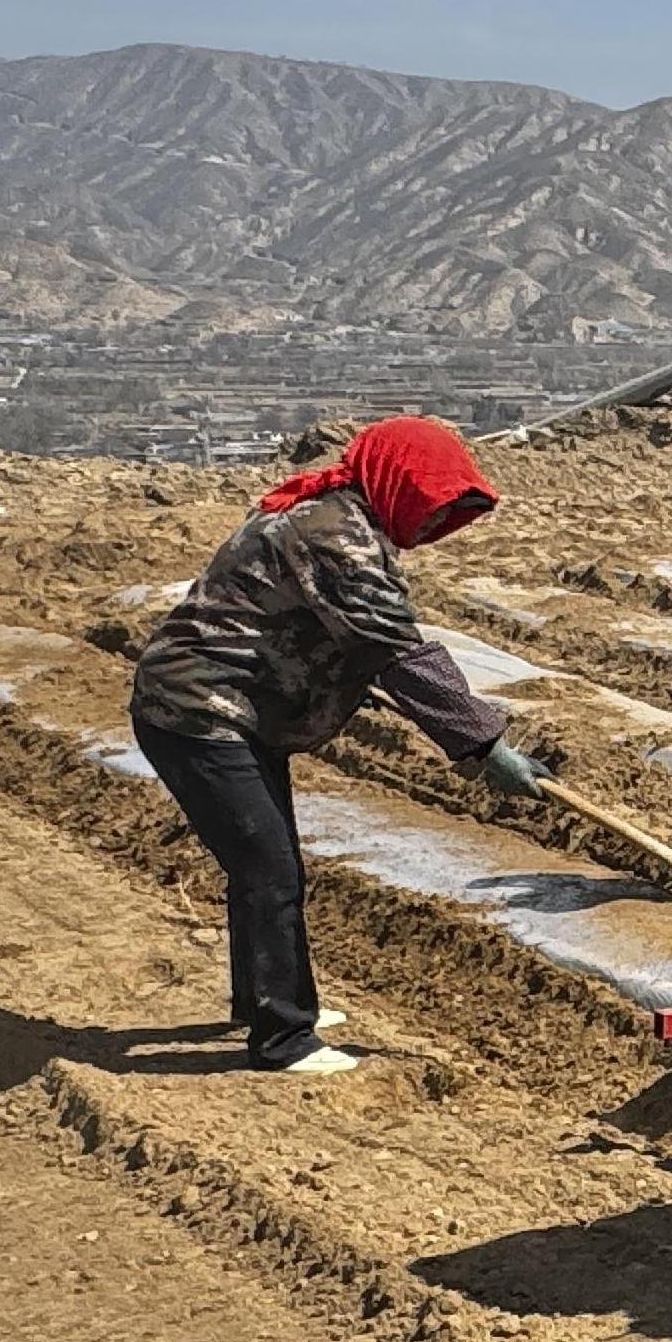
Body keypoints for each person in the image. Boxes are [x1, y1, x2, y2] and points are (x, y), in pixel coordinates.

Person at [127, 415, 549, 1075]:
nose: (435, 523)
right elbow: (394, 647)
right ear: (396, 484)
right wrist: (484, 744)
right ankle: (282, 1038)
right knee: (269, 870)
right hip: (194, 710)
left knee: (267, 864)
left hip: (239, 708)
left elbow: (349, 640)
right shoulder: (331, 532)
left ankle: (266, 1000)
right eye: (431, 503)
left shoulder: (346, 522)